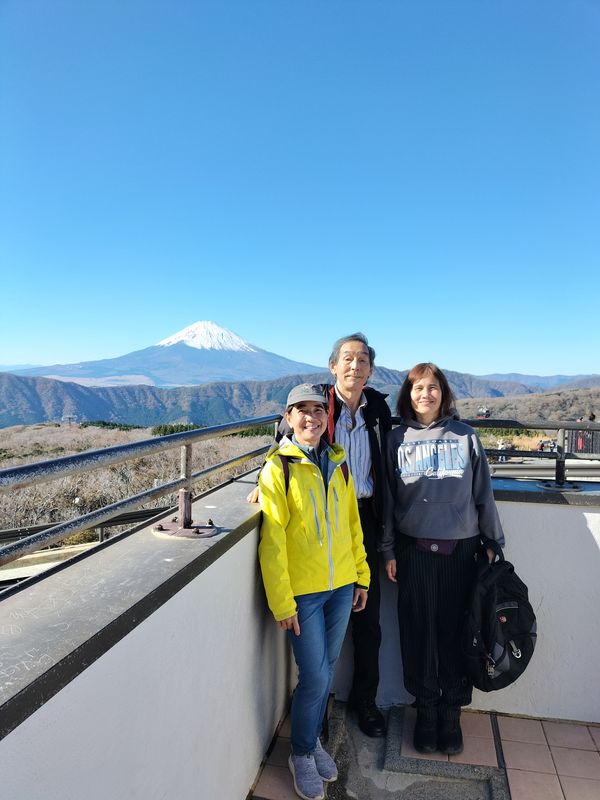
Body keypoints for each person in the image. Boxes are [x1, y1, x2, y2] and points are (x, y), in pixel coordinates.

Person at [251, 332, 391, 738]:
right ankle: (317, 716)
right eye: (347, 358)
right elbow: (287, 438)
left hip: (362, 516)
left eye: (362, 360)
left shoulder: (378, 409)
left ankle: (365, 702)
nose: (354, 365)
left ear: (370, 369)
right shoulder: (317, 402)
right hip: (314, 516)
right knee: (318, 657)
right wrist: (267, 478)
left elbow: (385, 462)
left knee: (369, 624)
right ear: (333, 366)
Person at [380, 363, 505, 756]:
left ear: (444, 393)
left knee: (455, 633)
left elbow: (483, 492)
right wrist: (386, 549)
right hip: (411, 550)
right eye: (418, 388)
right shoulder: (395, 438)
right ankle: (426, 710)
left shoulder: (466, 436)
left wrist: (493, 541)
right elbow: (386, 499)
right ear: (408, 394)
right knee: (416, 632)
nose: (426, 394)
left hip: (462, 552)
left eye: (433, 387)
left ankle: (451, 712)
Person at [258, 383, 370, 800]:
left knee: (327, 669)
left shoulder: (338, 464)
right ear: (288, 419)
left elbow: (352, 525)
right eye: (301, 410)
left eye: (318, 410)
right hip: (303, 594)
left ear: (328, 418)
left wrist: (361, 576)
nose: (311, 417)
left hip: (341, 586)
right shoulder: (279, 468)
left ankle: (312, 743)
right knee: (316, 675)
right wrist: (282, 600)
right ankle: (301, 751)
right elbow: (273, 541)